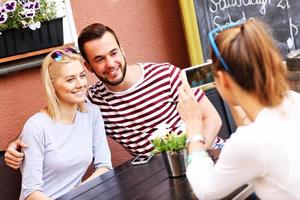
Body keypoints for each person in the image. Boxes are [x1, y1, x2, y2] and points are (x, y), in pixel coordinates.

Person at [5, 23, 222, 168]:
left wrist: (196, 157)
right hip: (160, 174)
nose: (110, 64)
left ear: (122, 50)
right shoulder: (92, 101)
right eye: (99, 59)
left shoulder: (166, 74)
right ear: (88, 66)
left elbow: (212, 118)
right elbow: (55, 115)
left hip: (211, 155)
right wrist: (18, 142)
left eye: (113, 53)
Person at [177, 19, 300, 199]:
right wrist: (235, 95)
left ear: (222, 79)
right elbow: (253, 131)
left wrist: (194, 129)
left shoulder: (250, 141)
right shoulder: (292, 100)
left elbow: (207, 191)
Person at [18, 48, 112, 200]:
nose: (80, 84)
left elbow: (105, 166)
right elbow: (31, 192)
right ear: (52, 85)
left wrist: (80, 192)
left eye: (82, 76)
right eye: (70, 79)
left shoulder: (92, 113)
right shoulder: (36, 127)